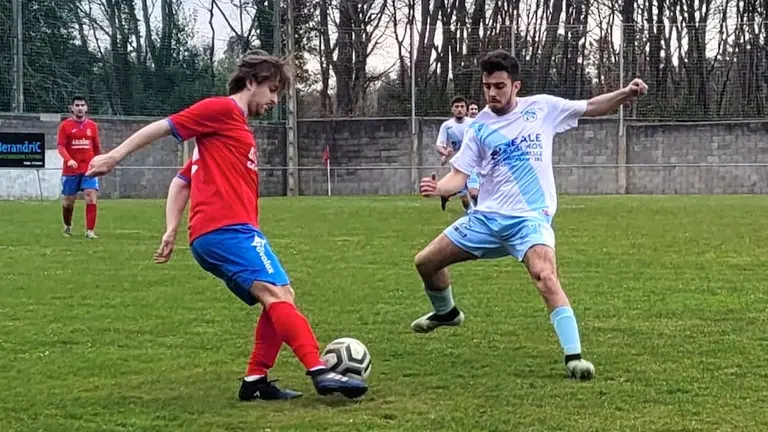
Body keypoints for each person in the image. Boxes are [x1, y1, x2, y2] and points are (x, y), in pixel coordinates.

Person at [87, 52, 368, 400]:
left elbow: (181, 181)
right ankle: (319, 370)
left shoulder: (224, 132)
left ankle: (255, 382)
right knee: (277, 294)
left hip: (227, 232)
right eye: (273, 89)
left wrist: (171, 228)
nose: (274, 100)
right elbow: (163, 126)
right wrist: (114, 156)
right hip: (226, 229)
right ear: (251, 82)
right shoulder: (220, 110)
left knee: (280, 296)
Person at [411, 49, 648, 381]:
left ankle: (574, 357)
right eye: (487, 86)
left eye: (499, 86)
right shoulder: (477, 128)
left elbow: (591, 107)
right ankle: (447, 312)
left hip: (529, 220)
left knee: (546, 277)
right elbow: (458, 176)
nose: (492, 93)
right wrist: (439, 188)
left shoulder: (543, 108)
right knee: (425, 262)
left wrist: (625, 93)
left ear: (515, 85)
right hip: (486, 220)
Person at [57, 96, 102, 238]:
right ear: (72, 108)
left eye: (82, 105)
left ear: (86, 107)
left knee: (90, 196)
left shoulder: (92, 126)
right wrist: (69, 159)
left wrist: (99, 162)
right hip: (71, 171)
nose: (80, 108)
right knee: (69, 201)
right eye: (77, 105)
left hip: (89, 169)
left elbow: (96, 147)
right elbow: (61, 146)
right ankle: (67, 226)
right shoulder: (65, 126)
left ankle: (90, 231)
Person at [436, 96, 475, 212]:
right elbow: (439, 145)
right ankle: (471, 216)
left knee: (474, 193)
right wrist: (445, 152)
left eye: (462, 107)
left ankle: (479, 217)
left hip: (473, 164)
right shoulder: (447, 126)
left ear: (466, 109)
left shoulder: (473, 123)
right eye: (456, 107)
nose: (459, 109)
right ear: (452, 109)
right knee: (464, 197)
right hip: (458, 165)